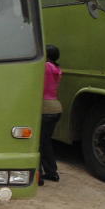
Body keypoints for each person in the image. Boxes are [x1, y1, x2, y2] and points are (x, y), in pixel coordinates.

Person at [39, 44, 62, 185]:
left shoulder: (46, 66)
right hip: (56, 107)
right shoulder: (57, 69)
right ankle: (52, 172)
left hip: (44, 108)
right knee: (46, 142)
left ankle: (38, 177)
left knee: (36, 143)